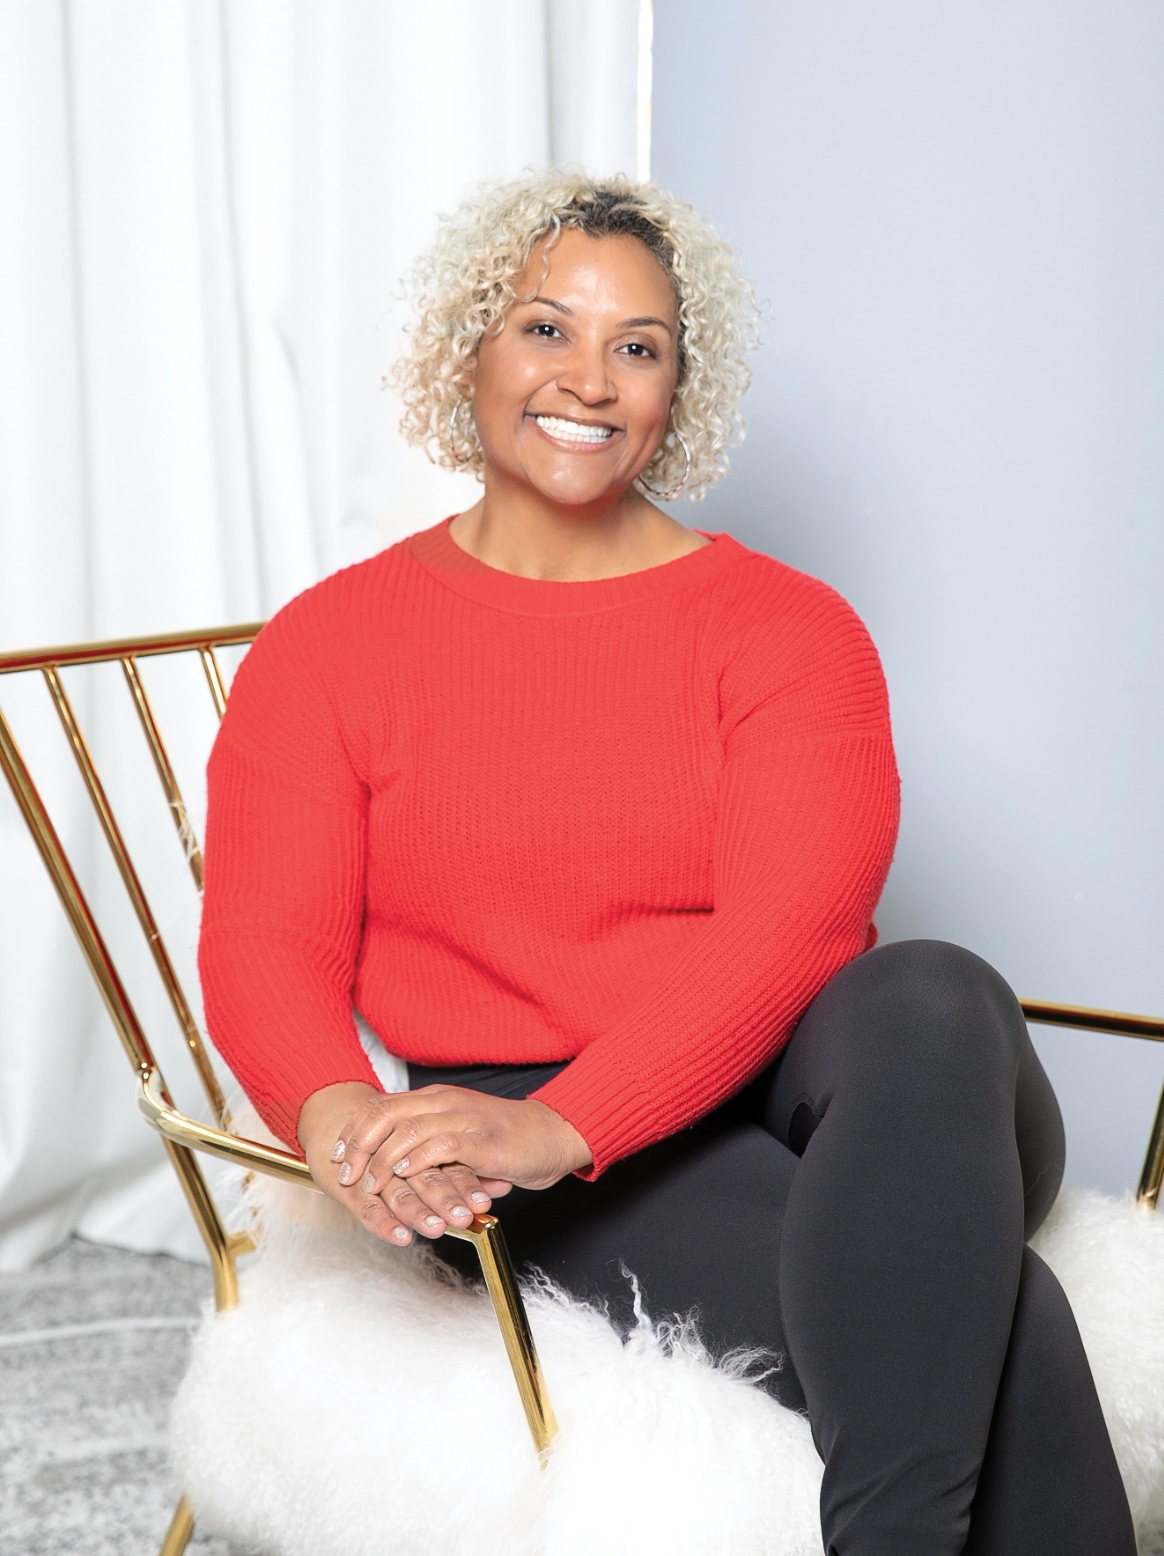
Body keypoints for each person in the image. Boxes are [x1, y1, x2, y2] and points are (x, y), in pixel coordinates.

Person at [198, 170, 1134, 1556]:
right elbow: (266, 939)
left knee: (931, 989)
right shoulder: (335, 644)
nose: (590, 377)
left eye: (637, 346)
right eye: (544, 328)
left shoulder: (787, 629)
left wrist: (565, 1123)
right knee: (1011, 1312)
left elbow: (794, 932)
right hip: (513, 1142)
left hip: (835, 1089)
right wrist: (341, 1115)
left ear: (678, 390)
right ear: (469, 349)